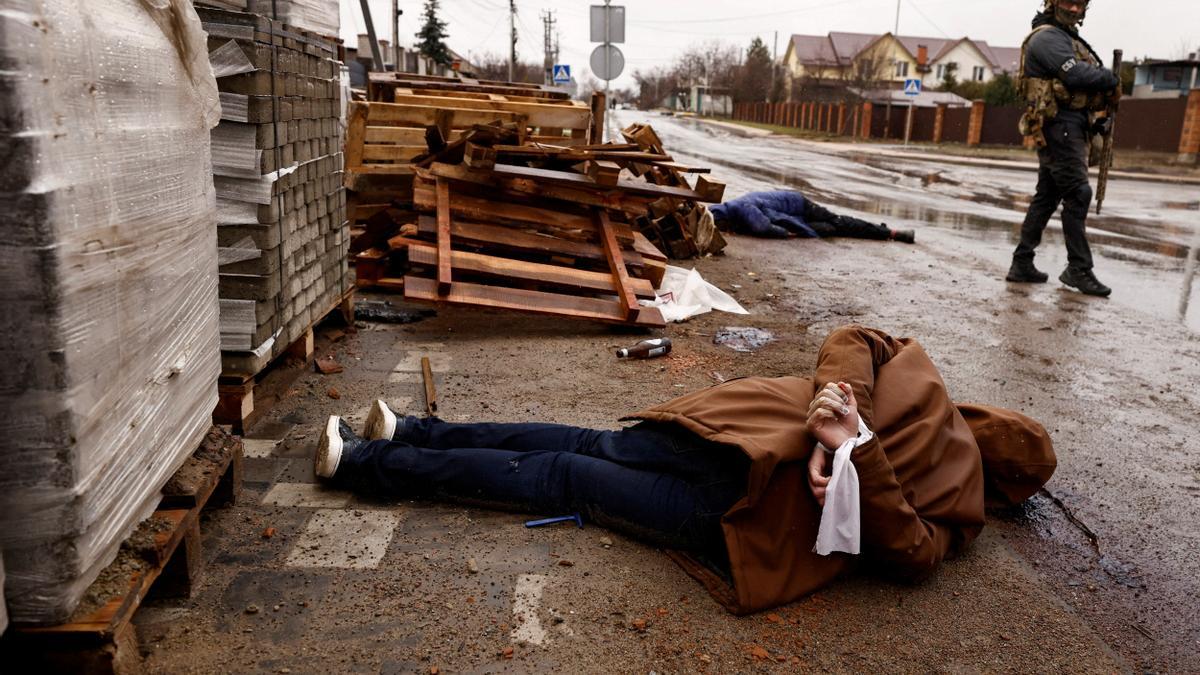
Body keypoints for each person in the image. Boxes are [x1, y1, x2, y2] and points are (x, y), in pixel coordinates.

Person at [315, 325, 1056, 614]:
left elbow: (853, 339)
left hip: (731, 450)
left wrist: (850, 431)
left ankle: (406, 432)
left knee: (580, 446)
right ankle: (370, 457)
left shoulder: (924, 383)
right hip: (739, 498)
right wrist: (846, 434)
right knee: (569, 472)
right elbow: (914, 554)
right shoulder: (951, 458)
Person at [1007, 0, 1120, 297]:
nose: (1074, 9)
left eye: (1079, 4)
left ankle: (1022, 263)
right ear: (1052, 3)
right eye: (1068, 2)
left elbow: (1079, 86)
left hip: (1069, 123)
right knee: (1078, 192)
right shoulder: (1047, 37)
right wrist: (1110, 78)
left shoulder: (1067, 37)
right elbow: (1075, 75)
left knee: (1047, 195)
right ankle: (1078, 269)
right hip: (1058, 125)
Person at [708, 190, 916, 243]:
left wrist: (785, 233)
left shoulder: (740, 206)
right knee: (835, 229)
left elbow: (763, 227)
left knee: (839, 222)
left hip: (800, 206)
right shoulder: (735, 209)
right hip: (797, 216)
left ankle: (891, 232)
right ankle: (880, 231)